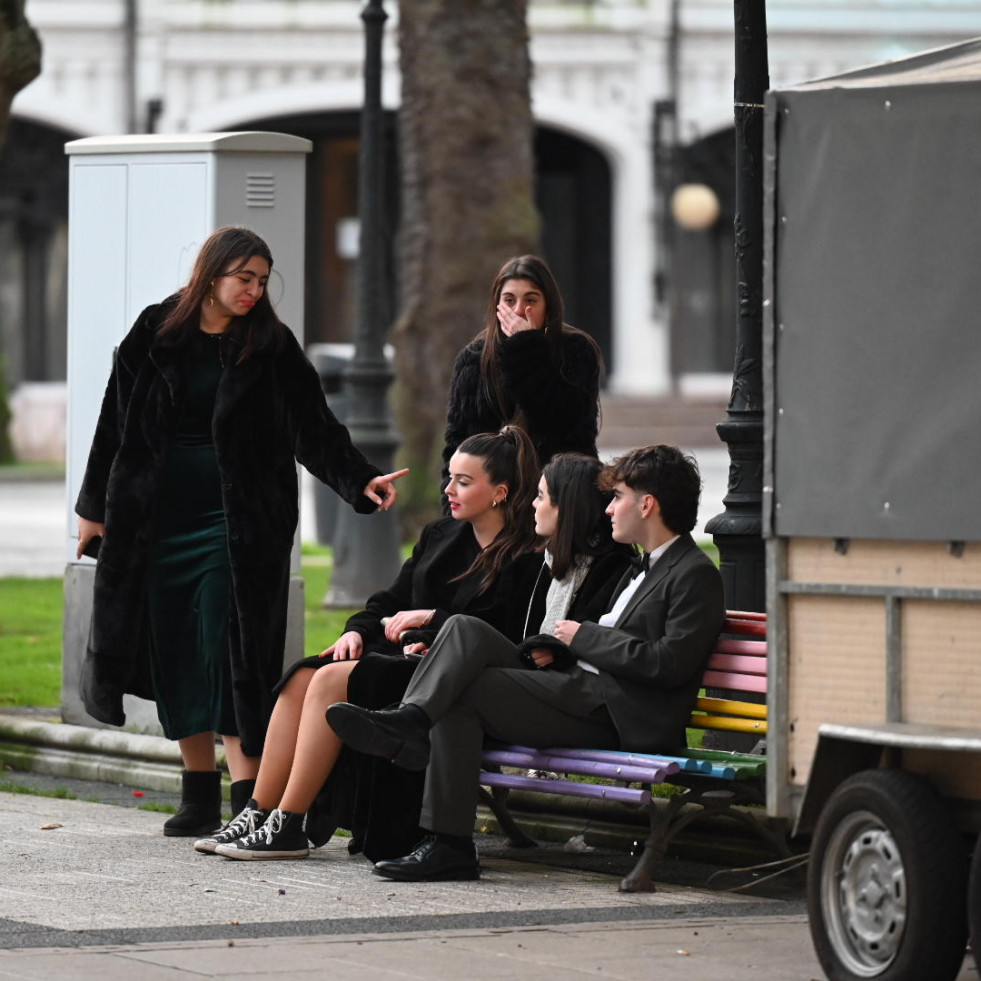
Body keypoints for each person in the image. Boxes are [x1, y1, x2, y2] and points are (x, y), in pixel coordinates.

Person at [74, 226, 407, 838]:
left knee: (230, 650)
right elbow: (112, 421)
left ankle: (247, 792)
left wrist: (358, 479)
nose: (254, 291)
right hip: (156, 521)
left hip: (240, 525)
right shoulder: (155, 331)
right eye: (243, 279)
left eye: (261, 280)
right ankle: (196, 790)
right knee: (176, 649)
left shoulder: (270, 344)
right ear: (211, 274)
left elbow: (314, 425)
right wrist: (93, 509)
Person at [327, 444, 726, 882]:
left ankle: (446, 834)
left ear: (646, 504)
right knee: (463, 627)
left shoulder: (693, 573)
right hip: (580, 689)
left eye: (618, 497)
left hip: (617, 714)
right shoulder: (643, 568)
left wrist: (584, 637)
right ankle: (413, 728)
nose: (609, 509)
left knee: (461, 692)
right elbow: (623, 642)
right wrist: (563, 648)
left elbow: (670, 663)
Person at [194, 426, 543, 861]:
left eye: (464, 482)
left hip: (450, 680)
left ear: (500, 492)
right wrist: (357, 631)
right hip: (402, 662)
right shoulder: (441, 536)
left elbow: (505, 632)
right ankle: (257, 811)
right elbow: (387, 602)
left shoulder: (528, 556)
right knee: (303, 674)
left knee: (330, 680)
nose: (449, 489)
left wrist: (431, 622)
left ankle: (289, 822)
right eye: (449, 477)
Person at [441, 255, 602, 485]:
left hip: (561, 494)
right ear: (497, 306)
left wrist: (526, 347)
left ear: (547, 305)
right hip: (492, 500)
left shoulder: (575, 351)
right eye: (509, 300)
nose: (519, 310)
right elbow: (457, 444)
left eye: (531, 300)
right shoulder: (473, 359)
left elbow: (566, 424)